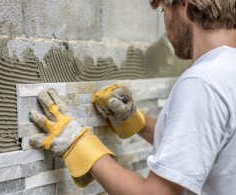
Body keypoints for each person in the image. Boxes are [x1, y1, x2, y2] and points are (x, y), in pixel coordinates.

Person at [29, 0, 236, 194]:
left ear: (183, 3)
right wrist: (137, 122)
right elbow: (202, 144)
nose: (164, 24)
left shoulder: (202, 82)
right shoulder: (226, 71)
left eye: (164, 9)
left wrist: (77, 143)